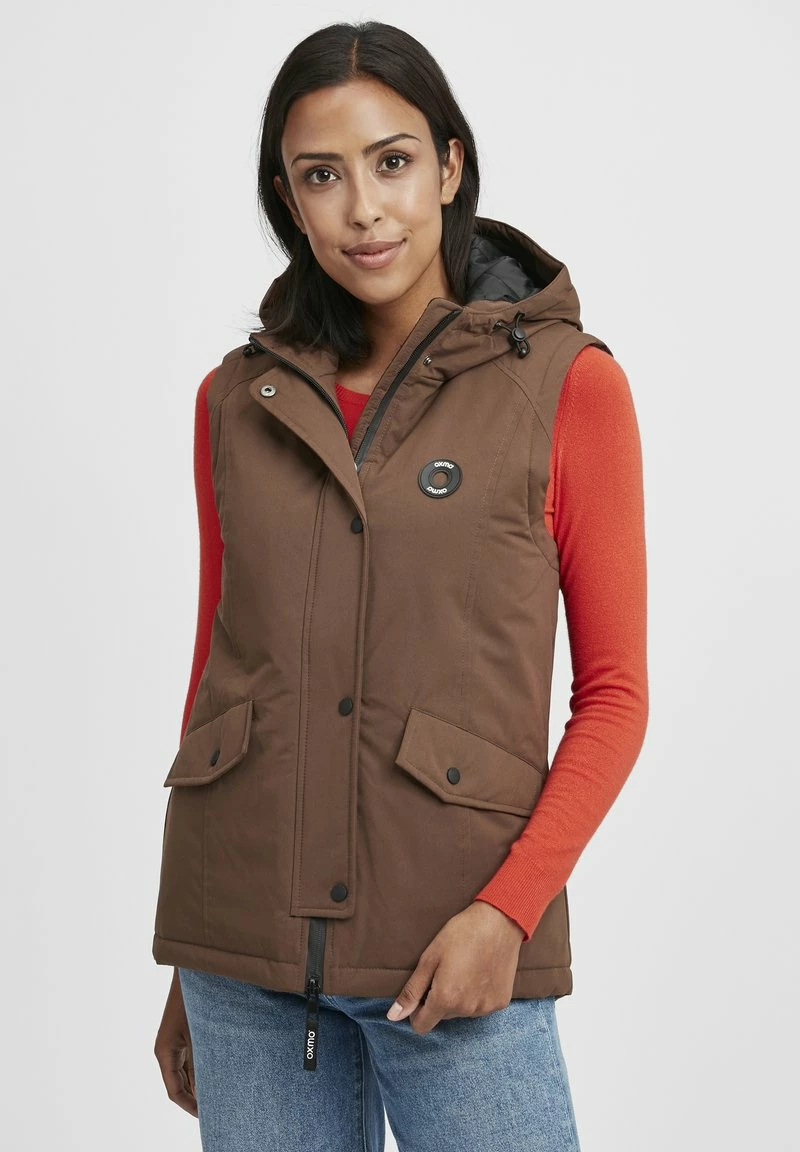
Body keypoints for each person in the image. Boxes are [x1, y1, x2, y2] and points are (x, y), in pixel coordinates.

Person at [152, 19, 648, 1152]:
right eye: (321, 176)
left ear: (449, 165)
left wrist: (506, 913)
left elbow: (616, 697)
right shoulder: (233, 402)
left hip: (457, 952)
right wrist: (194, 953)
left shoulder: (568, 387)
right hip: (242, 963)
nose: (364, 210)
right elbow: (219, 670)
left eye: (392, 161)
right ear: (288, 199)